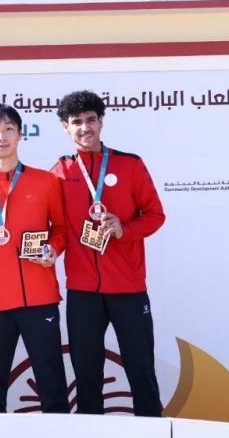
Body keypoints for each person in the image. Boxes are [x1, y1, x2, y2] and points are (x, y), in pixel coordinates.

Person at [50, 90, 166, 417]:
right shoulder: (60, 172)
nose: (84, 127)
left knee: (141, 371)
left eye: (91, 120)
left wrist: (124, 230)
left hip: (128, 288)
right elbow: (54, 227)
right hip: (83, 291)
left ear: (101, 122)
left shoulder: (130, 165)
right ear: (65, 127)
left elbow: (155, 215)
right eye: (76, 122)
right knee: (86, 376)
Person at [0, 103, 70, 414]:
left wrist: (53, 249)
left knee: (52, 381)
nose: (1, 137)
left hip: (40, 298)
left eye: (9, 129)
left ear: (21, 134)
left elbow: (61, 229)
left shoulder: (45, 181)